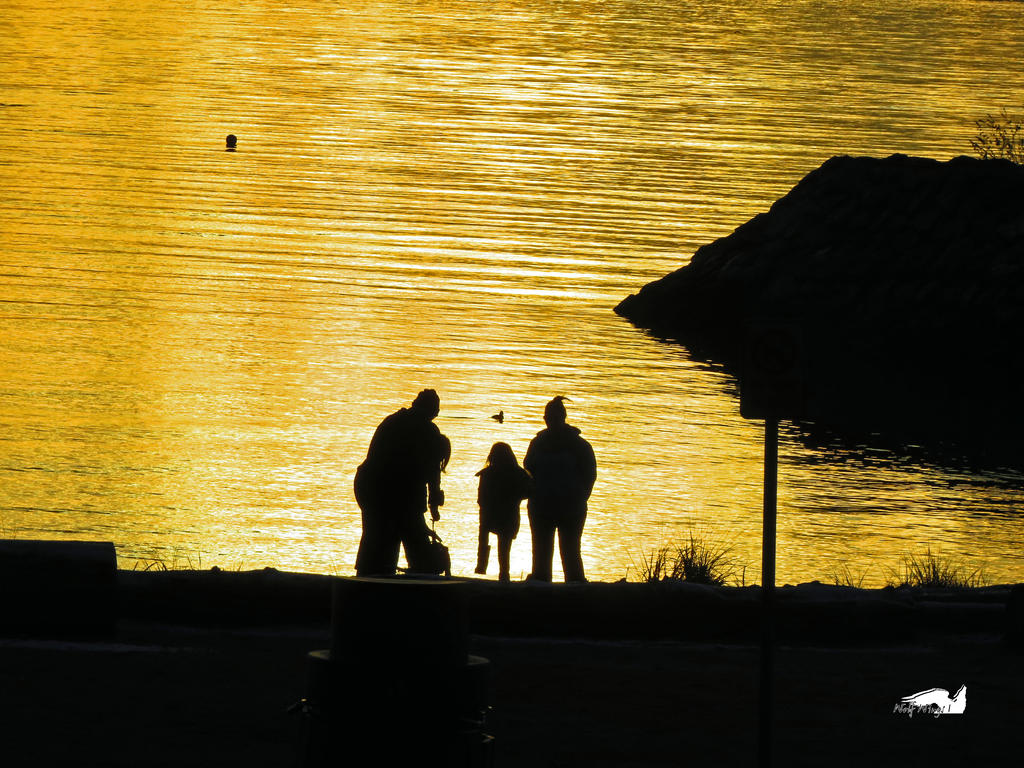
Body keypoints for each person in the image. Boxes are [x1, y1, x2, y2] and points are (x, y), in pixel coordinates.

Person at [354, 389, 448, 576]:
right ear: (433, 411)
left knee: (376, 536)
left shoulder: (392, 420)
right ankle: (418, 575)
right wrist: (434, 504)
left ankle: (371, 574)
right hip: (389, 489)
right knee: (409, 536)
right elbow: (432, 474)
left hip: (368, 485)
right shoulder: (428, 431)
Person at [523, 396, 596, 582]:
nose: (549, 421)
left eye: (552, 417)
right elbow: (528, 469)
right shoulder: (538, 443)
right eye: (548, 417)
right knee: (542, 556)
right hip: (543, 508)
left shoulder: (579, 446)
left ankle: (575, 592)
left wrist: (579, 498)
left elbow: (589, 476)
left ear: (562, 417)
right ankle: (543, 589)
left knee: (570, 553)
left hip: (569, 509)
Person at [474, 442, 532, 582]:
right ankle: (504, 574)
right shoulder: (519, 473)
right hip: (509, 515)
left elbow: (481, 498)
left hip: (490, 514)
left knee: (484, 536)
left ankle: (481, 566)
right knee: (504, 547)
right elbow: (528, 492)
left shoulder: (487, 473)